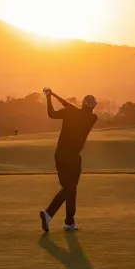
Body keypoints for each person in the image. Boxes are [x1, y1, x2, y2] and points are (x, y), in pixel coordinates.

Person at [39, 88, 98, 232]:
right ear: (93, 106)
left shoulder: (71, 112)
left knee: (69, 187)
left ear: (82, 103)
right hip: (72, 156)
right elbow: (69, 106)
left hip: (59, 154)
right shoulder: (92, 117)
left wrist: (49, 97)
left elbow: (52, 114)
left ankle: (69, 222)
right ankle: (48, 213)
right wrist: (55, 97)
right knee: (70, 187)